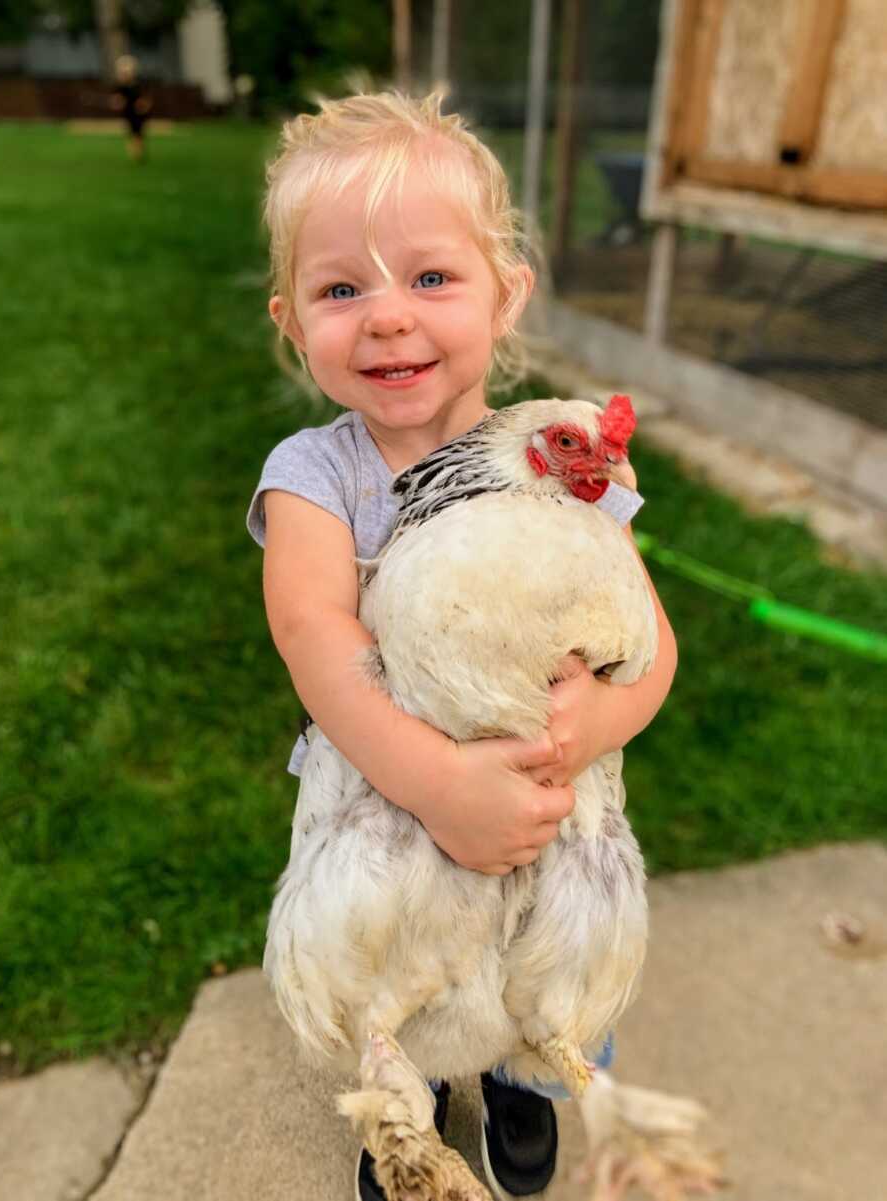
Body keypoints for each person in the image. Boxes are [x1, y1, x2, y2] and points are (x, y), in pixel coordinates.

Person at [246, 90, 677, 1201]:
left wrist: (591, 727)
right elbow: (312, 633)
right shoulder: (317, 474)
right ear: (292, 321)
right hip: (390, 800)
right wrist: (435, 781)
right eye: (343, 289)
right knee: (408, 973)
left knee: (552, 961)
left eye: (430, 278)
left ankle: (528, 1083)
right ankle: (418, 1096)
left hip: (546, 795)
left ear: (506, 296)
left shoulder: (558, 456)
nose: (387, 318)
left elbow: (651, 646)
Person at [109, 55, 152, 163]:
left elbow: (145, 100)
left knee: (138, 133)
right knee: (133, 133)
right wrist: (117, 103)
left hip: (139, 114)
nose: (124, 74)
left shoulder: (138, 84)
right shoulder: (120, 86)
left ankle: (137, 152)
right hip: (128, 113)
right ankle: (137, 152)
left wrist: (143, 105)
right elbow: (117, 100)